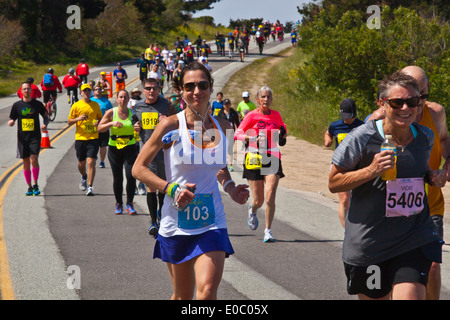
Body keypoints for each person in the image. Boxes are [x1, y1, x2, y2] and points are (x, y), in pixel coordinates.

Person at [132, 61, 250, 300]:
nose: (197, 91)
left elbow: (219, 167)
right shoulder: (170, 124)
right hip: (177, 221)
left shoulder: (223, 125)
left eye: (202, 85)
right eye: (189, 86)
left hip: (212, 221)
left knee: (206, 292)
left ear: (210, 87)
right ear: (181, 91)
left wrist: (230, 188)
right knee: (183, 296)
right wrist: (171, 188)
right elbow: (138, 168)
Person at [328, 71, 445, 300]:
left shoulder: (425, 137)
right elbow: (333, 182)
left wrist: (432, 177)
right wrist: (371, 170)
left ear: (419, 102)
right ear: (382, 103)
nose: (405, 108)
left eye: (411, 101)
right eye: (396, 102)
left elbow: (418, 174)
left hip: (412, 238)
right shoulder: (362, 138)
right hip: (371, 243)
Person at [366, 66, 450, 300]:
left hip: (429, 206)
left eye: (422, 96)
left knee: (432, 267)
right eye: (412, 97)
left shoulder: (436, 113)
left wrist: (445, 168)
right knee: (394, 271)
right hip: (390, 210)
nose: (417, 103)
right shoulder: (380, 117)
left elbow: (444, 139)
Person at [234, 86, 287, 243]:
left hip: (272, 155)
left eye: (268, 97)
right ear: (257, 100)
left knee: (270, 195)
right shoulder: (251, 116)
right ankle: (253, 208)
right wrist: (251, 139)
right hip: (253, 156)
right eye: (263, 97)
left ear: (272, 99)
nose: (266, 99)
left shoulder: (276, 115)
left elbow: (282, 129)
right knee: (259, 200)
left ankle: (268, 230)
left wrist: (283, 133)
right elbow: (237, 134)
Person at [133, 78, 171, 237]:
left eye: (154, 88)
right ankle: (153, 221)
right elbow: (134, 121)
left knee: (162, 186)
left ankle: (162, 218)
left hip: (164, 152)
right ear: (143, 90)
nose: (151, 91)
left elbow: (177, 123)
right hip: (147, 154)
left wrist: (166, 121)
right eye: (148, 88)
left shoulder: (167, 105)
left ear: (159, 89)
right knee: (151, 187)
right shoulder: (138, 106)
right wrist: (135, 125)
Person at [323, 98, 364, 227]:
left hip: (357, 166)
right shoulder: (336, 125)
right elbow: (328, 133)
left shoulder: (362, 126)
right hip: (339, 166)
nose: (348, 120)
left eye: (351, 117)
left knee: (357, 199)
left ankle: (357, 226)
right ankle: (346, 231)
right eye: (346, 117)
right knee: (345, 199)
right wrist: (327, 140)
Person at [98, 90, 138, 214]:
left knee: (131, 175)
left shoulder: (133, 113)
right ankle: (119, 203)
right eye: (120, 97)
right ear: (117, 99)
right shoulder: (111, 112)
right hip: (115, 147)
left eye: (125, 97)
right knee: (118, 177)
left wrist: (138, 128)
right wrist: (111, 123)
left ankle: (129, 203)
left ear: (128, 99)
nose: (123, 99)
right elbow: (99, 128)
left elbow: (139, 126)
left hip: (130, 146)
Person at [9, 82, 49, 195]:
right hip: (22, 138)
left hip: (35, 137)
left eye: (28, 89)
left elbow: (45, 117)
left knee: (34, 159)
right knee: (26, 161)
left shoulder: (37, 104)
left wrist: (45, 124)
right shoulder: (17, 105)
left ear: (31, 91)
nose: (26, 91)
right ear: (21, 91)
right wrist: (11, 122)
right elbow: (12, 118)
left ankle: (35, 184)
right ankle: (29, 186)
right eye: (24, 89)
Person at [67, 84, 103, 196]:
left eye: (88, 90)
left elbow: (101, 118)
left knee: (91, 161)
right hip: (80, 138)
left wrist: (98, 123)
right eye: (84, 90)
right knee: (81, 164)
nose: (87, 92)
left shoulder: (95, 105)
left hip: (93, 137)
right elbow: (69, 121)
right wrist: (78, 119)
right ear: (81, 92)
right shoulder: (76, 105)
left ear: (91, 92)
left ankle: (90, 187)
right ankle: (83, 176)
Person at [91, 84, 113, 168]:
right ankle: (93, 158)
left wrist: (109, 118)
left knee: (103, 145)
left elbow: (111, 113)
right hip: (93, 125)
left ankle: (102, 161)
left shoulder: (106, 102)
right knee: (93, 144)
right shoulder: (90, 100)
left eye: (99, 89)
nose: (98, 90)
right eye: (96, 89)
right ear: (93, 91)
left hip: (103, 125)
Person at [216, 98, 240, 172]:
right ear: (223, 105)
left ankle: (230, 165)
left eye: (228, 104)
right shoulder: (220, 113)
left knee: (230, 149)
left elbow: (237, 123)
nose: (226, 106)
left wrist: (238, 132)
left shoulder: (233, 112)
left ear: (230, 104)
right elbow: (217, 123)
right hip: (222, 133)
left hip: (231, 133)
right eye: (225, 104)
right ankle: (222, 164)